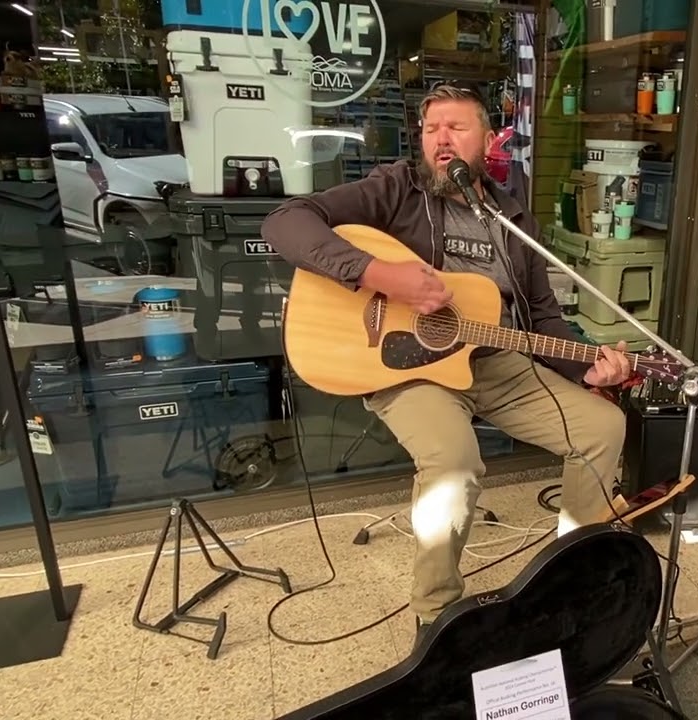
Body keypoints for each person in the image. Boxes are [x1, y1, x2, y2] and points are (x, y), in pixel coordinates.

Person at [261, 83, 632, 644]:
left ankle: (570, 582)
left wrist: (589, 368)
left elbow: (542, 320)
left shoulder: (512, 220)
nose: (441, 140)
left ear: (488, 140)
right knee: (455, 465)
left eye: (457, 128)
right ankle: (435, 620)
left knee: (604, 426)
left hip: (496, 363)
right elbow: (285, 223)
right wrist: (378, 275)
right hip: (409, 368)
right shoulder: (396, 190)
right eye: (432, 129)